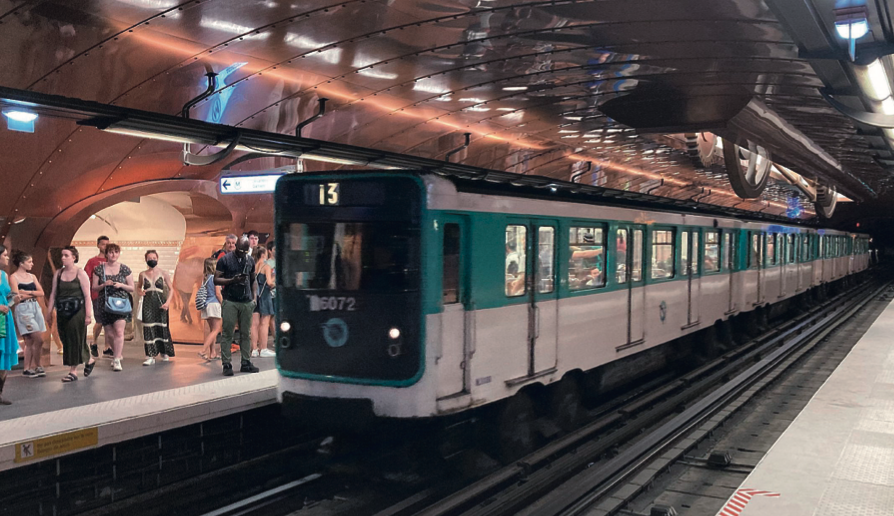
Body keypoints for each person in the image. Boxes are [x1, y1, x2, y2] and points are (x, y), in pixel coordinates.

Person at [47, 246, 95, 382]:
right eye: (62, 255)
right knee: (65, 338)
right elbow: (53, 293)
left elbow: (87, 296)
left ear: (74, 257)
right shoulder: (58, 273)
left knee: (74, 338)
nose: (63, 258)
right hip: (63, 310)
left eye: (66, 255)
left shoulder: (80, 273)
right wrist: (49, 310)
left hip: (77, 311)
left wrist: (88, 315)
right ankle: (89, 359)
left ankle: (73, 371)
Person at [215, 236, 259, 376]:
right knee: (228, 332)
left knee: (246, 333)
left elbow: (253, 280)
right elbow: (216, 279)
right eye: (239, 251)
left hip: (246, 301)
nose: (242, 253)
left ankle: (246, 361)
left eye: (244, 251)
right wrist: (232, 280)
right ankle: (226, 363)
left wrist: (254, 298)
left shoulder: (250, 260)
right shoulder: (224, 260)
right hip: (230, 300)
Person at [91, 243, 134, 372]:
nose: (113, 254)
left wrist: (121, 285)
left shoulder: (125, 269)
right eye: (110, 252)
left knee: (119, 332)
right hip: (105, 304)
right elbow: (94, 287)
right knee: (109, 334)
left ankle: (116, 359)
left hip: (121, 303)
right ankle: (116, 353)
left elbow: (131, 287)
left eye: (116, 252)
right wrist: (104, 284)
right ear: (106, 254)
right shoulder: (99, 269)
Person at [9, 250, 47, 378]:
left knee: (30, 341)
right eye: (29, 262)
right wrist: (27, 293)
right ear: (21, 263)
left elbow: (41, 292)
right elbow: (16, 296)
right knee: (38, 338)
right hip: (24, 309)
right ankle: (38, 364)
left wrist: (28, 292)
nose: (32, 264)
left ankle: (27, 368)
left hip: (35, 307)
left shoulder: (32, 277)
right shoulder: (13, 277)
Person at [139, 250, 174, 366]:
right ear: (146, 260)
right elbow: (138, 288)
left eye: (154, 257)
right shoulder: (142, 274)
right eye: (149, 258)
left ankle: (164, 351)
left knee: (162, 326)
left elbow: (171, 289)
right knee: (148, 327)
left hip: (160, 303)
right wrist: (140, 292)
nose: (152, 260)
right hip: (148, 303)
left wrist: (168, 302)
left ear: (157, 259)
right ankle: (150, 355)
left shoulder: (163, 273)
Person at [84, 236, 111, 358]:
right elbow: (85, 277)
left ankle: (107, 347)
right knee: (100, 321)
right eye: (103, 244)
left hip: (110, 295)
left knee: (109, 322)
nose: (105, 246)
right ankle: (94, 342)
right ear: (98, 245)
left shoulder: (111, 261)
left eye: (107, 244)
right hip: (97, 295)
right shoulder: (92, 262)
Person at [250, 246, 276, 358]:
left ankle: (254, 349)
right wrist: (275, 279)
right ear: (263, 255)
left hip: (254, 296)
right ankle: (263, 348)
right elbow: (269, 283)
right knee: (264, 323)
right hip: (264, 296)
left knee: (254, 324)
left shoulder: (252, 266)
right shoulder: (266, 266)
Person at [0, 245, 18, 404]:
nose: (7, 258)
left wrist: (13, 299)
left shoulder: (4, 275)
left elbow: (7, 296)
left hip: (5, 318)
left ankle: (0, 392)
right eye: (4, 255)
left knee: (4, 355)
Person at [199, 258, 222, 360]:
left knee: (212, 330)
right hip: (214, 305)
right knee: (216, 329)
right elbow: (218, 293)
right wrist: (224, 303)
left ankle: (212, 353)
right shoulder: (215, 278)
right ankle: (203, 350)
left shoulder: (205, 278)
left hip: (206, 305)